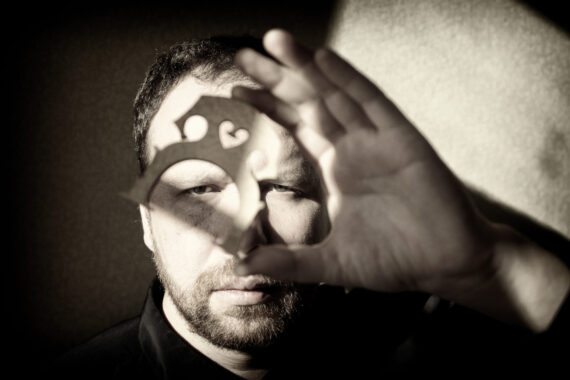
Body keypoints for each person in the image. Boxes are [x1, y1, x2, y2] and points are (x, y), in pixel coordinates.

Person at [54, 29, 569, 379]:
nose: (244, 238)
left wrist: (493, 264)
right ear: (148, 221)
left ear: (329, 208)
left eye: (284, 188)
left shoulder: (430, 351)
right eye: (200, 191)